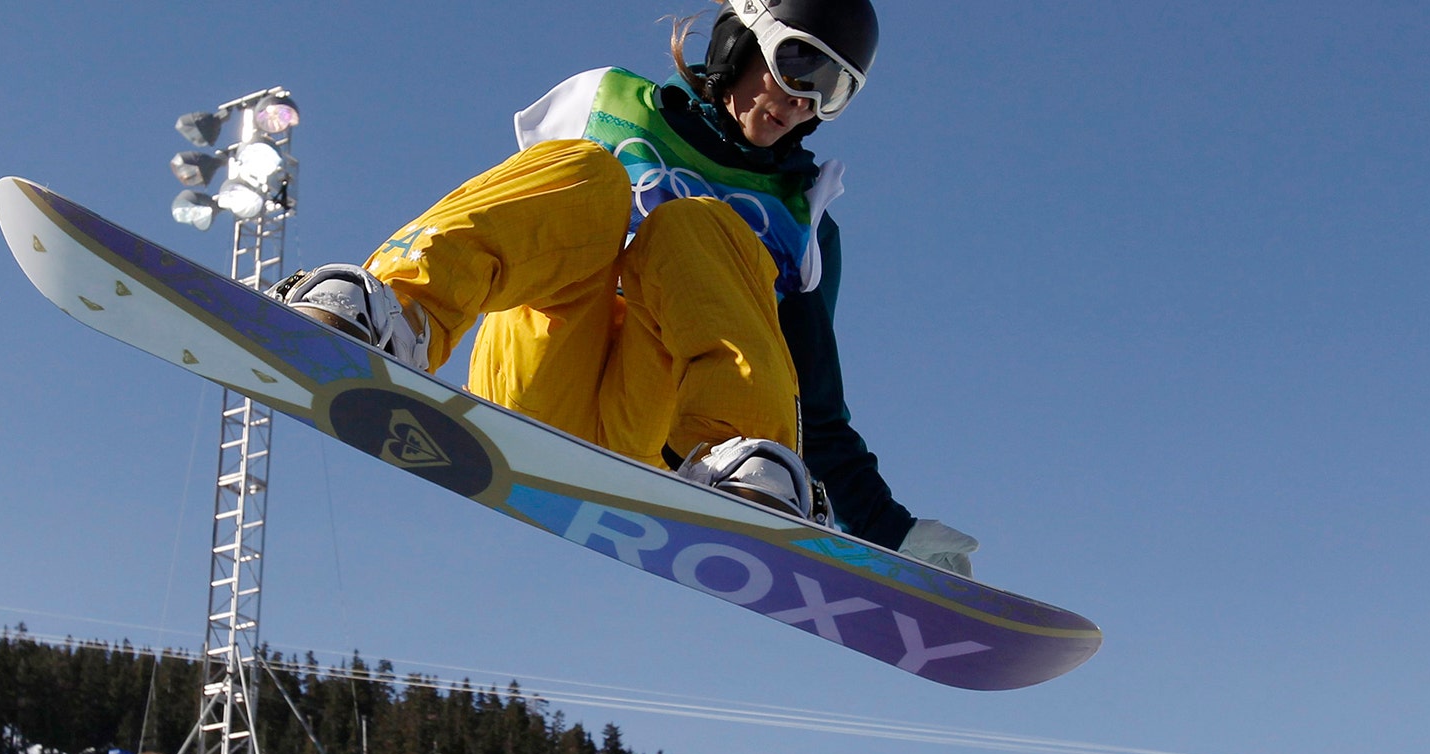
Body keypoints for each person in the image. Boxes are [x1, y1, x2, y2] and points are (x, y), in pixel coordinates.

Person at [276, 0, 980, 576]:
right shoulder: (609, 103)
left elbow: (816, 404)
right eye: (799, 63)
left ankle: (742, 466)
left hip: (660, 424)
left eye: (835, 91)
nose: (803, 101)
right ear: (743, 32)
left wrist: (895, 536)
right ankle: (397, 314)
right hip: (541, 367)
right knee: (588, 172)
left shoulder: (802, 214)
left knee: (701, 226)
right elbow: (516, 219)